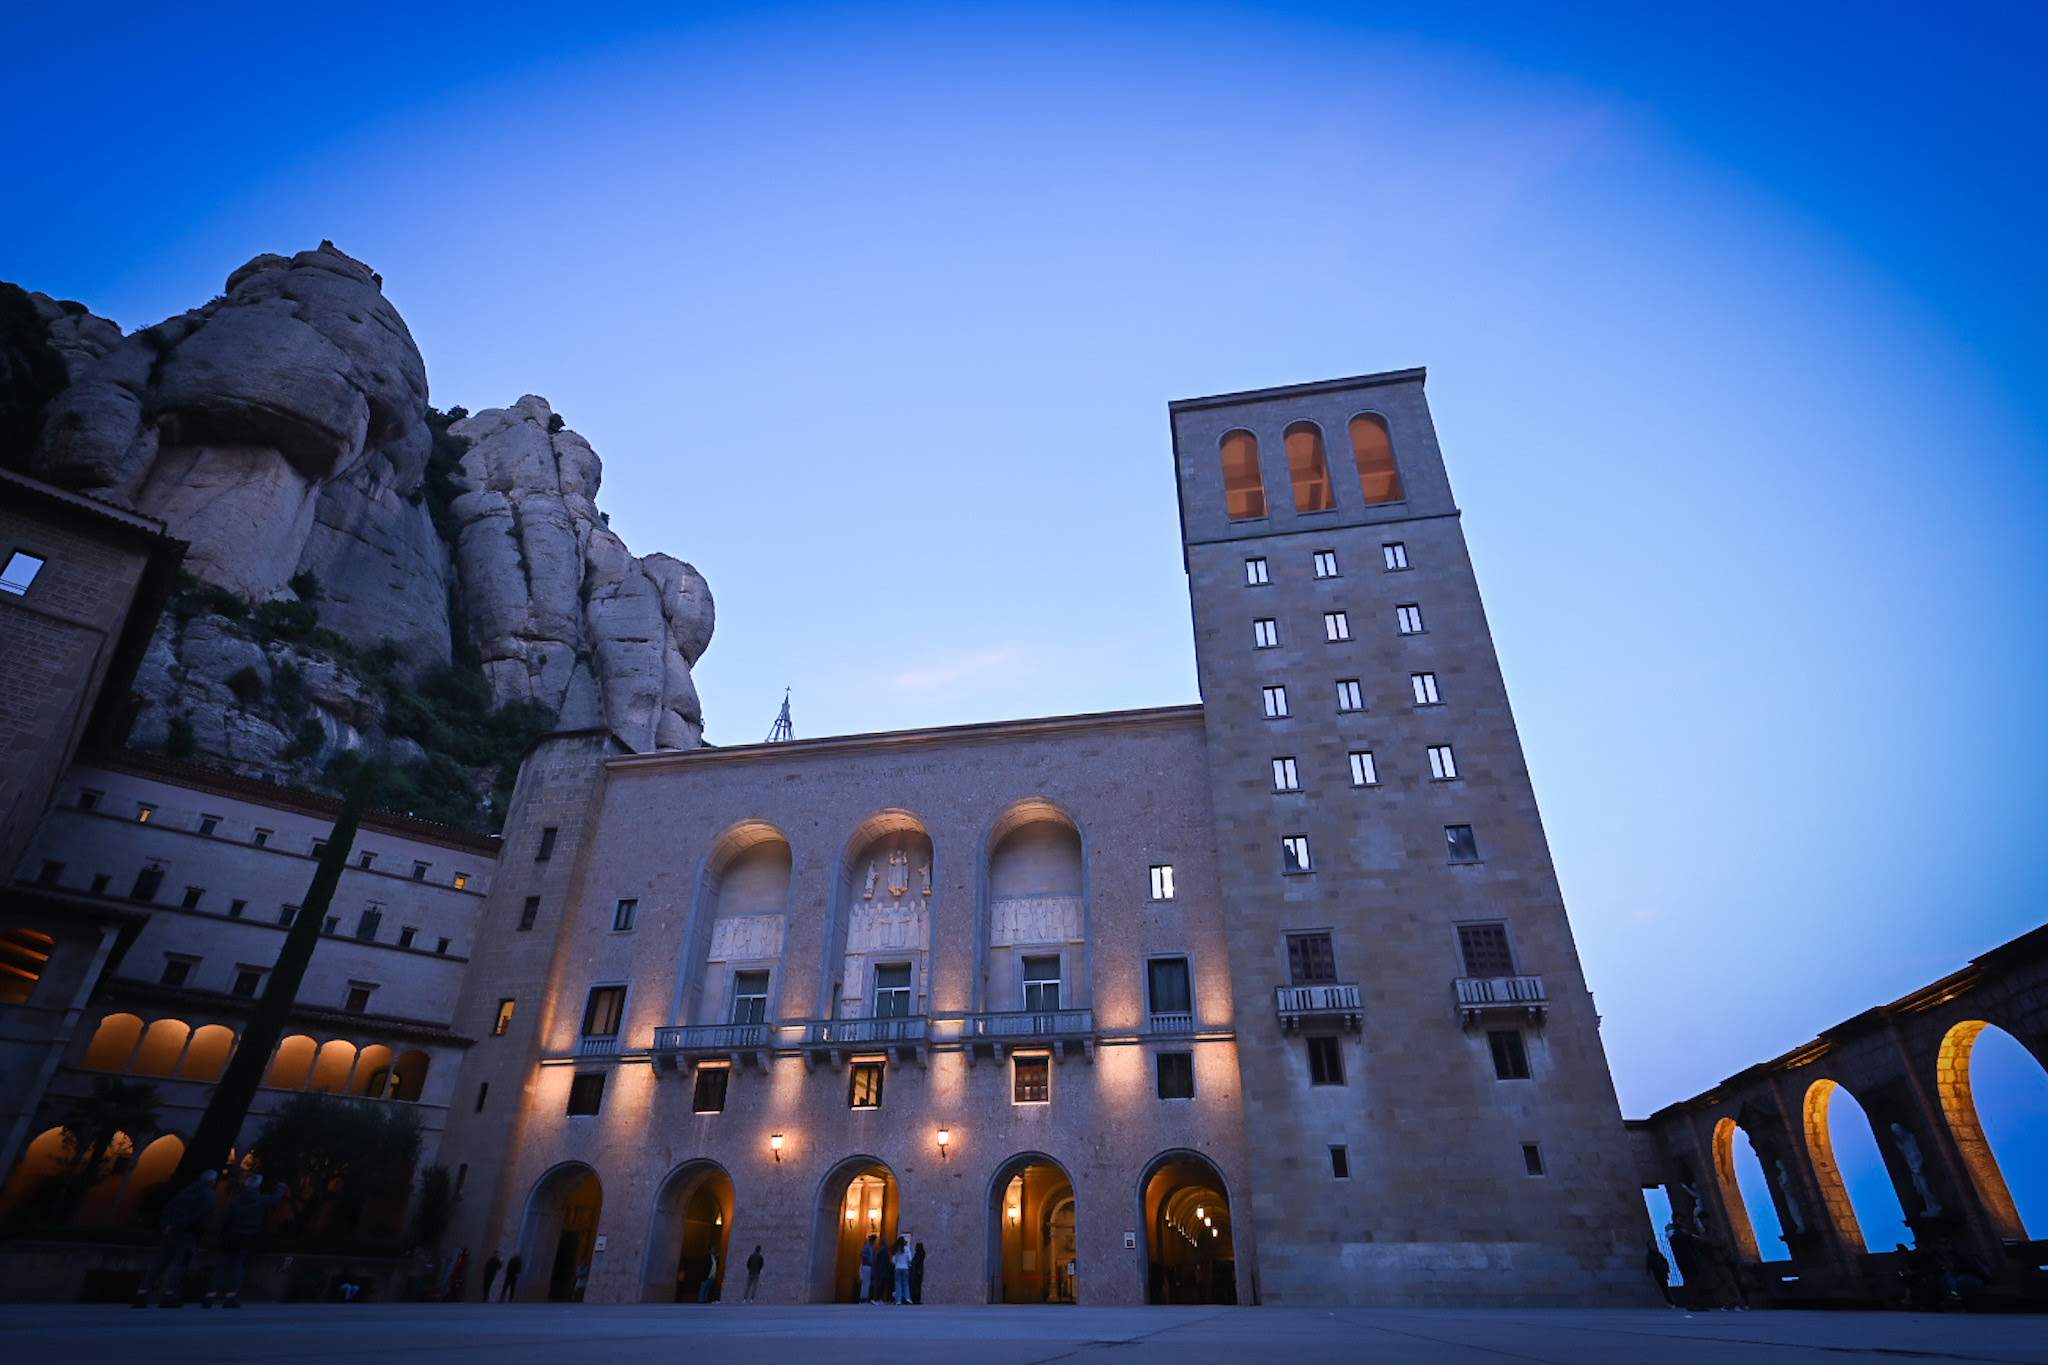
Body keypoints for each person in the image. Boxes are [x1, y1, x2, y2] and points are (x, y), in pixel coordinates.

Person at [134, 1169, 217, 1308]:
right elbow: (200, 1214)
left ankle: (141, 1293)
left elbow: (168, 1208)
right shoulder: (208, 1194)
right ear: (212, 1181)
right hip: (187, 1234)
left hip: (170, 1232)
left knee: (159, 1263)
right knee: (180, 1265)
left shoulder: (186, 1191)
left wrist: (168, 1225)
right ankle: (168, 1294)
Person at [203, 1175, 286, 1308]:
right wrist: (281, 1188)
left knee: (222, 1265)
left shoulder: (236, 1201)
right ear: (258, 1186)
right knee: (238, 1266)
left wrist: (221, 1235)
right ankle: (230, 1296)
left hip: (231, 1236)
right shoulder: (259, 1200)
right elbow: (275, 1199)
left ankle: (210, 1295)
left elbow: (225, 1220)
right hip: (247, 1236)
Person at [1644, 1236, 1674, 1307]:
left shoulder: (1657, 1254)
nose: (1652, 1246)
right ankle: (1669, 1302)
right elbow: (1648, 1265)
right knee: (1663, 1288)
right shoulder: (1650, 1255)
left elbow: (1665, 1261)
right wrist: (1648, 1272)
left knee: (1665, 1288)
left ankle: (1670, 1302)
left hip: (1662, 1272)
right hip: (1658, 1273)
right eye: (1650, 1245)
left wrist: (1667, 1269)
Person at [892, 1237, 911, 1305]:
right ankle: (907, 1298)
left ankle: (898, 1300)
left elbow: (893, 1261)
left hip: (897, 1268)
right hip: (905, 1268)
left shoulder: (896, 1249)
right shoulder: (907, 1249)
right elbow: (909, 1259)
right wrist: (908, 1264)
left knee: (898, 1284)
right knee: (906, 1284)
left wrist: (897, 1263)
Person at [858, 1234, 876, 1303]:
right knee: (866, 1282)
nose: (875, 1242)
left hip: (867, 1265)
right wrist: (869, 1260)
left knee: (866, 1282)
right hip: (867, 1265)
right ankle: (864, 1298)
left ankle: (863, 1297)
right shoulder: (868, 1246)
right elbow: (862, 1253)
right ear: (872, 1240)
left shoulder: (869, 1246)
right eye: (874, 1240)